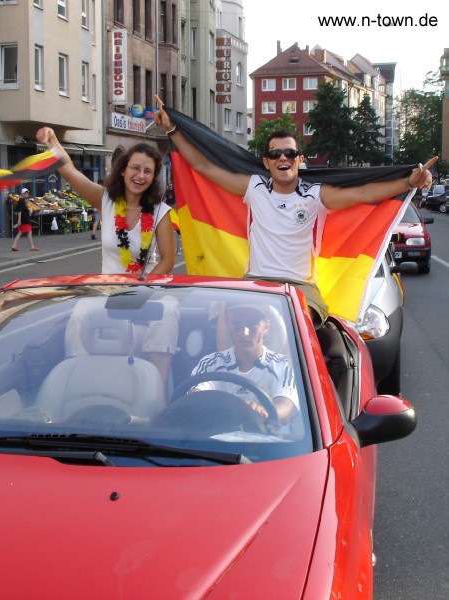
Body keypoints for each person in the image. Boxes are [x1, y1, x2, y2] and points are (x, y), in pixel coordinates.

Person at [154, 96, 436, 327]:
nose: (283, 158)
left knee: (299, 329)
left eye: (289, 153)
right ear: (266, 162)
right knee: (225, 325)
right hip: (257, 282)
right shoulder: (254, 188)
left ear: (300, 160)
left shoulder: (316, 196)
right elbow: (203, 167)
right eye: (275, 154)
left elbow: (363, 194)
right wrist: (172, 131)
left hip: (301, 287)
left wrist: (408, 182)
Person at [35, 127, 177, 395]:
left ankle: (157, 395)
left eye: (148, 171)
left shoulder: (160, 211)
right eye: (135, 168)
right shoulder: (106, 201)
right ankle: (79, 386)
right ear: (123, 170)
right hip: (107, 289)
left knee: (167, 315)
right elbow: (70, 172)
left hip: (147, 289)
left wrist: (141, 289)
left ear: (154, 177)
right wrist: (52, 140)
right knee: (78, 315)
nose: (140, 176)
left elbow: (168, 261)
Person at [190, 303, 300, 431]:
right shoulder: (211, 363)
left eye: (252, 325)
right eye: (237, 325)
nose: (244, 333)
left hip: (270, 446)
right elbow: (194, 399)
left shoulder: (283, 365)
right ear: (228, 325)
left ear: (266, 327)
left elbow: (286, 408)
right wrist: (236, 410)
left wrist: (262, 412)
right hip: (215, 445)